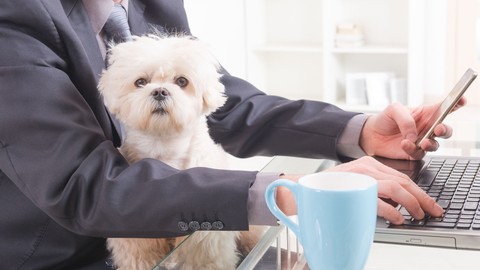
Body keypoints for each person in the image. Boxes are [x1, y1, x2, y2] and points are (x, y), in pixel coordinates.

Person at [0, 0, 458, 269]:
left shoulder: (142, 4)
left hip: (180, 233)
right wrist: (285, 193)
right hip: (67, 255)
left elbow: (220, 101)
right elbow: (86, 185)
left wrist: (355, 131)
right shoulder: (15, 21)